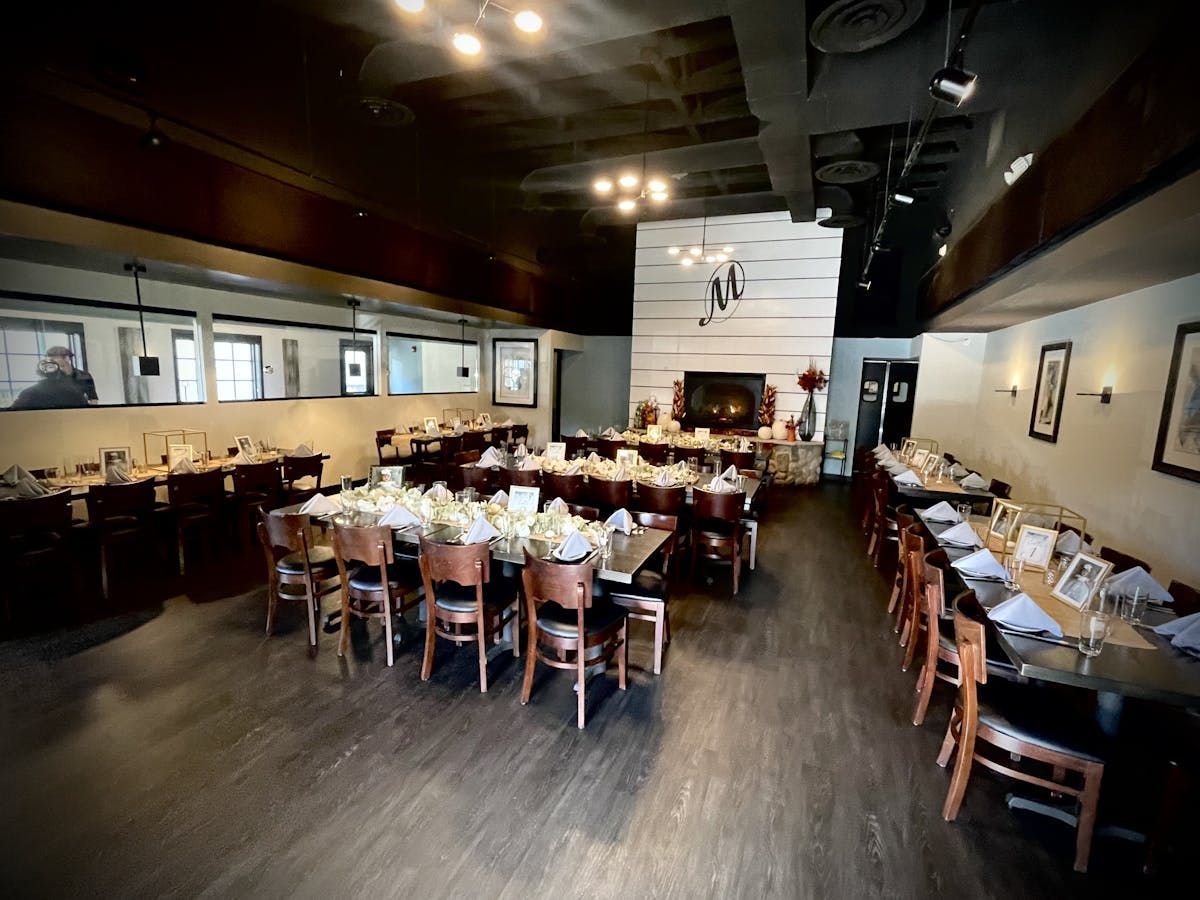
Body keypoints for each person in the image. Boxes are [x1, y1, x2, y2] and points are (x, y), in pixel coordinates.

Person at [10, 359, 90, 410]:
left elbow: (12, 414)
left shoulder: (28, 393)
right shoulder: (76, 392)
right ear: (59, 373)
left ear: (38, 373)